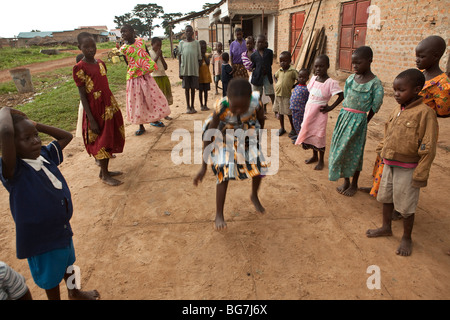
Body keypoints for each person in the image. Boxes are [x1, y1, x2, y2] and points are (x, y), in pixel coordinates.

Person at [0, 107, 100, 300]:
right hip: (41, 240)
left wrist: (34, 125)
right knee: (51, 278)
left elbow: (66, 136)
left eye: (36, 136)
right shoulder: (14, 171)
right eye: (27, 138)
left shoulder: (44, 155)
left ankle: (75, 292)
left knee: (69, 263)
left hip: (61, 228)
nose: (36, 141)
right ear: (11, 146)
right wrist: (4, 109)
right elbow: (4, 132)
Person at [366, 69, 438, 257]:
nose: (396, 94)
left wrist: (421, 173)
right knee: (386, 198)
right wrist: (381, 151)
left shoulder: (425, 113)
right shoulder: (397, 109)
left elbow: (428, 146)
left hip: (409, 168)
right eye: (395, 90)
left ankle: (406, 237)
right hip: (389, 164)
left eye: (401, 90)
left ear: (416, 90)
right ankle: (386, 227)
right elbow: (387, 132)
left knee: (406, 206)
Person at [193, 78, 267, 230]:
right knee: (224, 170)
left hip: (246, 132)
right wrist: (203, 167)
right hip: (223, 135)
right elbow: (209, 135)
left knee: (259, 167)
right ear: (228, 100)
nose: (239, 110)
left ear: (249, 100)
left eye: (243, 107)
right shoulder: (222, 108)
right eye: (235, 107)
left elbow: (261, 120)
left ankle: (254, 195)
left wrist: (257, 136)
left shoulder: (256, 104)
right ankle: (219, 213)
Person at [328, 46, 384, 196]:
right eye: (353, 63)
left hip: (359, 122)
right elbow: (346, 98)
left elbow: (375, 105)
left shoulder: (375, 84)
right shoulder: (351, 79)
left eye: (358, 63)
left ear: (370, 61)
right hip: (344, 118)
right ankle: (345, 180)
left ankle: (354, 183)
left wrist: (364, 121)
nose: (355, 66)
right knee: (341, 150)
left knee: (356, 153)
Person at [73, 32, 125, 186]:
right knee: (101, 140)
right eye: (86, 47)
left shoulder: (101, 63)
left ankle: (105, 171)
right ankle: (105, 176)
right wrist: (90, 118)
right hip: (95, 111)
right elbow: (83, 95)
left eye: (92, 46)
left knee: (110, 136)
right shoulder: (79, 67)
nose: (90, 49)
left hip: (109, 106)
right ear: (79, 48)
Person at [295, 55, 344, 170]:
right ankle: (314, 156)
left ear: (328, 66)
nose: (318, 69)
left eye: (321, 66)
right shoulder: (313, 79)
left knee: (319, 136)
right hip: (309, 112)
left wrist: (330, 107)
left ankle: (321, 160)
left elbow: (341, 96)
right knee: (310, 133)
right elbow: (310, 94)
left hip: (320, 114)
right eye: (316, 66)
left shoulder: (330, 83)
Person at [120, 24, 171, 135]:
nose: (123, 34)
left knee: (152, 97)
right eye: (121, 32)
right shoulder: (123, 48)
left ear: (132, 31)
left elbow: (147, 56)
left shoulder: (140, 42)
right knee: (138, 101)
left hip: (145, 76)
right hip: (134, 78)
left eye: (125, 31)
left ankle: (156, 119)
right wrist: (135, 70)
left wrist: (147, 67)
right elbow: (127, 63)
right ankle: (141, 126)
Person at [416, 35, 450, 118]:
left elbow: (443, 112)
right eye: (416, 56)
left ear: (435, 57)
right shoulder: (420, 73)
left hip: (424, 124)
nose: (417, 60)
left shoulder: (442, 83)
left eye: (421, 56)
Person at [242, 36, 271, 115]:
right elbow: (249, 66)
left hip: (261, 74)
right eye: (247, 43)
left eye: (251, 43)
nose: (249, 45)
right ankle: (257, 109)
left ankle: (264, 108)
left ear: (254, 44)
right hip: (253, 75)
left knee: (264, 92)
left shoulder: (257, 52)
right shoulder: (244, 55)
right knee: (255, 93)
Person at [273, 51, 299, 137]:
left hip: (287, 96)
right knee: (280, 112)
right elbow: (274, 76)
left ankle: (293, 129)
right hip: (278, 95)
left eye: (285, 61)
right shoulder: (279, 71)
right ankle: (282, 128)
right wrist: (276, 83)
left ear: (290, 61)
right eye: (281, 61)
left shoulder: (292, 71)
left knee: (289, 113)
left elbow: (299, 79)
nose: (282, 63)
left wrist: (293, 86)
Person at [177, 25, 202, 114]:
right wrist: (180, 71)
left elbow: (199, 58)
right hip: (185, 70)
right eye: (186, 31)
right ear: (185, 33)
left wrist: (198, 70)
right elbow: (179, 58)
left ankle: (192, 106)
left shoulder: (196, 43)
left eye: (190, 31)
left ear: (192, 33)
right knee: (187, 89)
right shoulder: (181, 44)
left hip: (194, 70)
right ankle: (188, 106)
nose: (188, 33)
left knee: (193, 88)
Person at [149, 36, 173, 121]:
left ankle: (165, 114)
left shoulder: (160, 54)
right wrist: (157, 56)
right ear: (152, 44)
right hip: (155, 77)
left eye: (160, 45)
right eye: (157, 45)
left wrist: (161, 57)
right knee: (156, 98)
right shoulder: (150, 53)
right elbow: (152, 66)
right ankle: (157, 115)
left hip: (163, 76)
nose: (159, 47)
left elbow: (165, 67)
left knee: (165, 96)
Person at [250, 34, 275, 107]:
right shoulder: (253, 55)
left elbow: (270, 63)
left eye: (262, 42)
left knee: (271, 92)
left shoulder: (269, 52)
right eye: (259, 42)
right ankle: (259, 109)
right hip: (257, 76)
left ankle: (275, 108)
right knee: (258, 94)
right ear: (256, 43)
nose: (260, 44)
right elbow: (254, 65)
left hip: (267, 75)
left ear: (265, 43)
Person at [289, 68, 310, 143]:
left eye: (304, 77)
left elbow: (307, 100)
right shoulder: (297, 86)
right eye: (300, 77)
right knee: (295, 123)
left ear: (307, 78)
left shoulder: (307, 89)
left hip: (300, 111)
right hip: (294, 109)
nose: (301, 79)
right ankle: (298, 135)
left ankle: (301, 138)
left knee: (299, 124)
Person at [198, 40, 212, 111]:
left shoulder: (207, 56)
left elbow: (207, 63)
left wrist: (204, 55)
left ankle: (205, 104)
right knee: (200, 92)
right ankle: (201, 105)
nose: (203, 50)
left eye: (204, 48)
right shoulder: (198, 56)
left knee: (206, 92)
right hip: (200, 78)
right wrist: (201, 56)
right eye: (201, 48)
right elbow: (199, 64)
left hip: (206, 77)